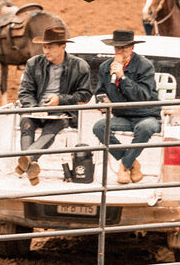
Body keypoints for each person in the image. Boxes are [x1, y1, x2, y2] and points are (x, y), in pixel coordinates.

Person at [16, 26, 92, 185]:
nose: (46, 50)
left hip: (61, 113)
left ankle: (27, 160)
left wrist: (60, 100)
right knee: (26, 122)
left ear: (63, 46)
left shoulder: (80, 66)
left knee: (54, 125)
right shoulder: (33, 63)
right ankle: (30, 165)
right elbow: (25, 92)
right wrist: (35, 109)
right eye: (44, 46)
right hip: (36, 110)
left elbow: (84, 94)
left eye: (50, 47)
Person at [92, 30, 162, 184]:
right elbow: (100, 92)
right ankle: (132, 163)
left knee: (145, 128)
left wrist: (122, 77)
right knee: (99, 127)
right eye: (117, 48)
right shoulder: (105, 67)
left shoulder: (145, 66)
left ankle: (124, 166)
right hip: (122, 115)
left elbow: (142, 96)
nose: (120, 51)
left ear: (132, 48)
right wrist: (102, 103)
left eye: (124, 48)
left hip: (146, 114)